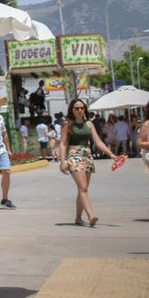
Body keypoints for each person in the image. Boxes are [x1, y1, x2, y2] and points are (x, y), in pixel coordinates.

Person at [58, 97, 114, 226]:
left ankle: (78, 218)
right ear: (72, 110)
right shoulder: (67, 124)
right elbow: (63, 144)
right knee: (83, 188)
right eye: (76, 108)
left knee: (82, 189)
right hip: (74, 155)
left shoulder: (89, 124)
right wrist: (63, 161)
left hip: (87, 155)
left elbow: (98, 141)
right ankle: (91, 215)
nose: (79, 110)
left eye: (82, 108)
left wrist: (111, 154)